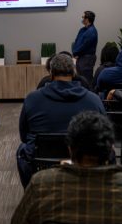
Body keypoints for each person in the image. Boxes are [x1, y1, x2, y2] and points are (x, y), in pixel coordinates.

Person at [17, 54, 105, 188]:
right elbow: (104, 134)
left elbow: (24, 136)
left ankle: (32, 192)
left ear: (51, 74)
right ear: (74, 72)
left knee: (22, 150)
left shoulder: (32, 99)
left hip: (43, 162)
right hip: (84, 161)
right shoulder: (93, 100)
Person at [72, 10, 98, 85]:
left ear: (87, 19)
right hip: (80, 58)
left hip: (87, 59)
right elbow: (76, 41)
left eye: (83, 17)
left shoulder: (92, 32)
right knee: (81, 79)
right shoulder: (82, 30)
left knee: (86, 80)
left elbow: (84, 46)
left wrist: (76, 53)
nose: (82, 18)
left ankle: (89, 94)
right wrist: (75, 53)